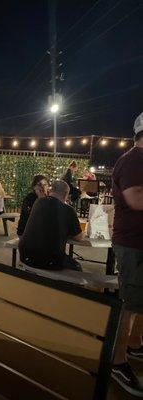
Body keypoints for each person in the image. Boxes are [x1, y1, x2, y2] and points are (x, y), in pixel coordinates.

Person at [110, 112, 143, 396]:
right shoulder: (133, 160)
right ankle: (117, 361)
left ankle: (135, 345)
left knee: (139, 300)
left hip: (136, 243)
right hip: (132, 244)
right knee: (129, 303)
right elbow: (136, 198)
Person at [19, 180, 83, 270]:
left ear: (50, 191)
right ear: (66, 194)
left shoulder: (38, 202)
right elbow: (79, 237)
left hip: (24, 254)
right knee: (77, 267)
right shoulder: (68, 210)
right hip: (48, 259)